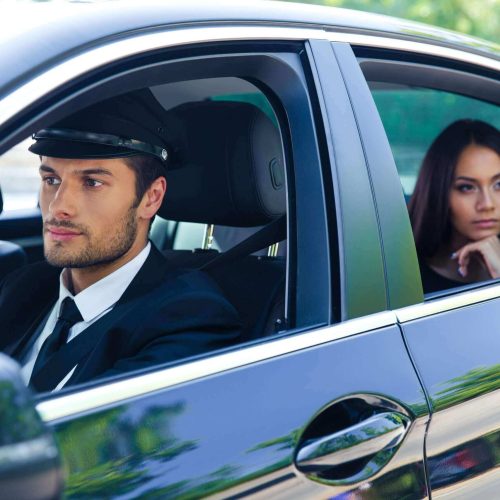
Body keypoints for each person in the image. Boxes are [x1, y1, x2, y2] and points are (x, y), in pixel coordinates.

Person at [0, 88, 241, 392]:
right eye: (51, 180)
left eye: (92, 182)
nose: (58, 205)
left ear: (151, 198)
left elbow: (104, 437)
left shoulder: (190, 318)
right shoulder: (22, 287)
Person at [408, 119, 500, 293]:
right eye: (467, 187)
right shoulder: (399, 273)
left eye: (499, 185)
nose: (487, 204)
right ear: (438, 192)